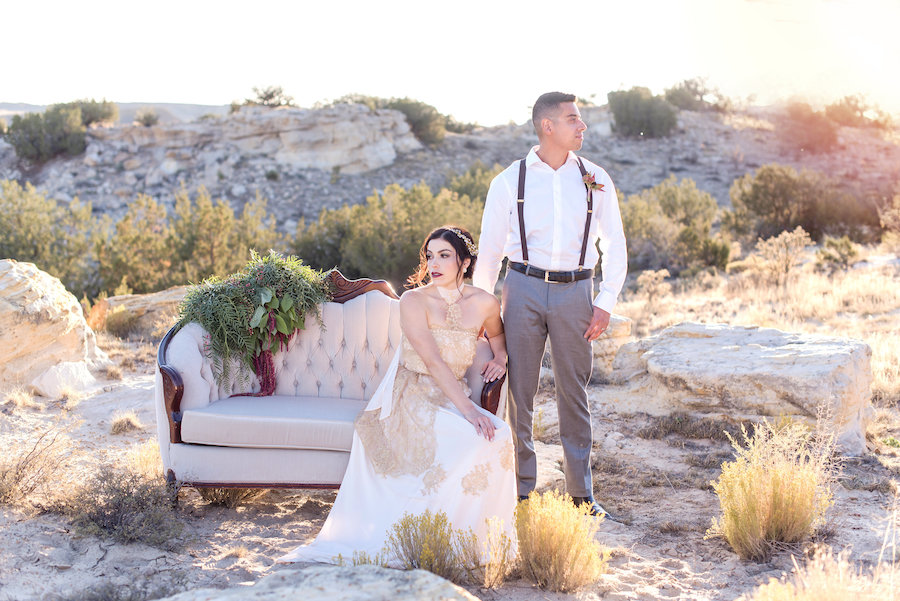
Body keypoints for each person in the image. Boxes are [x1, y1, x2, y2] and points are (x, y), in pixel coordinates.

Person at [278, 225, 517, 564]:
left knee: (500, 436)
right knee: (471, 437)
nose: (434, 263)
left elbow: (497, 337)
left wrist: (500, 357)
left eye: (444, 256)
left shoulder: (486, 303)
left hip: (454, 394)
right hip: (412, 393)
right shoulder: (414, 301)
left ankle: (472, 543)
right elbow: (432, 361)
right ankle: (432, 536)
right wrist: (471, 411)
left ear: (464, 262)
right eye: (430, 255)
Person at [472, 92, 627, 518]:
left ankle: (581, 496)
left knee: (573, 392)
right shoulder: (509, 181)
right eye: (573, 119)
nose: (582, 127)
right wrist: (483, 311)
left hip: (578, 292)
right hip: (521, 288)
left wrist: (606, 300)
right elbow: (489, 253)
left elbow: (615, 243)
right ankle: (521, 492)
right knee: (519, 391)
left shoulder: (596, 178)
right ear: (547, 126)